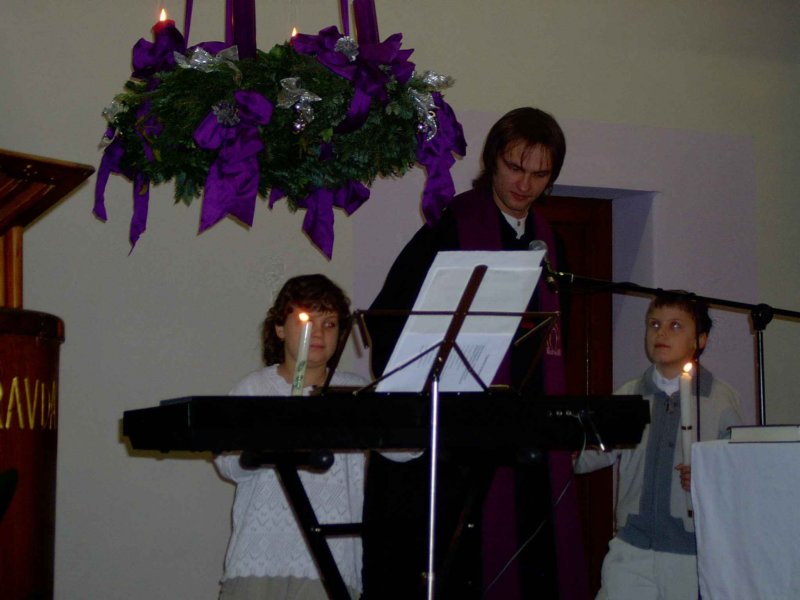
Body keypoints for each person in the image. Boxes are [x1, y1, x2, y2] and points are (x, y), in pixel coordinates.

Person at [362, 107, 588, 599]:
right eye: (515, 167)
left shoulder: (552, 244)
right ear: (491, 160)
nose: (525, 184)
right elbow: (392, 316)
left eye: (540, 174)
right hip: (461, 439)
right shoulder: (451, 225)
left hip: (528, 432)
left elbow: (560, 340)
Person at [573, 292, 743, 600]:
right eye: (654, 324)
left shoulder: (719, 399)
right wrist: (566, 442)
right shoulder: (629, 396)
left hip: (691, 551)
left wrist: (707, 475)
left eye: (675, 325)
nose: (661, 333)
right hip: (631, 548)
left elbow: (737, 470)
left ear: (700, 340)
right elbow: (592, 456)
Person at [214, 274, 367, 600]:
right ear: (280, 328)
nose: (319, 333)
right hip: (260, 557)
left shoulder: (355, 392)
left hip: (331, 561)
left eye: (329, 324)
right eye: (307, 321)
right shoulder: (254, 389)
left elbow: (405, 451)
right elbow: (228, 464)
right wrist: (271, 437)